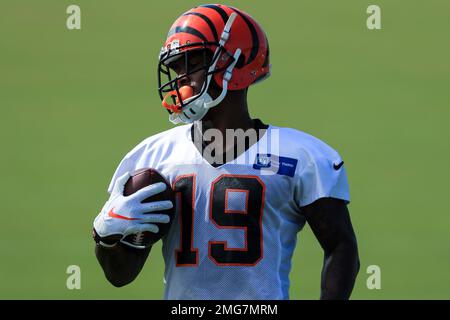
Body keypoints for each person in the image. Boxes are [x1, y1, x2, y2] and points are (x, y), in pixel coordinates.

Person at [93, 4, 359, 300]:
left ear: (237, 63)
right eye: (176, 66)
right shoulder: (153, 156)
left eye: (192, 62)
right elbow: (119, 276)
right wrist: (108, 235)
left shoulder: (300, 157)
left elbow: (341, 247)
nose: (180, 77)